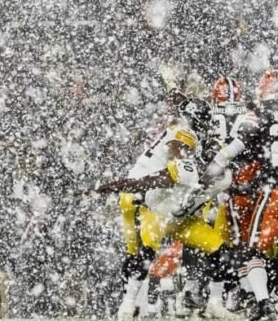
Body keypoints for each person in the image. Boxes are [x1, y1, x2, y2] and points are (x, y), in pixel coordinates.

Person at [79, 96, 234, 320]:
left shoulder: (180, 133)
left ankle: (213, 302)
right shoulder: (185, 141)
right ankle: (128, 305)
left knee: (138, 252)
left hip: (155, 200)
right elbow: (176, 158)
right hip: (147, 199)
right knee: (141, 252)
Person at [203, 69, 278, 321]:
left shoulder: (255, 114)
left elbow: (235, 148)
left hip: (267, 189)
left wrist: (212, 170)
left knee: (250, 249)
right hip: (253, 187)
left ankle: (261, 301)